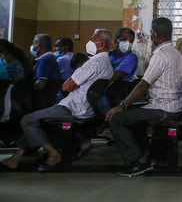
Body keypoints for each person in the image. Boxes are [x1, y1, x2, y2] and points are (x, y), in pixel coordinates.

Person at [0, 29, 114, 169]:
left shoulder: (93, 62)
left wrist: (72, 85)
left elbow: (66, 86)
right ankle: (15, 158)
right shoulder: (107, 62)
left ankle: (53, 154)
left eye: (92, 38)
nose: (89, 41)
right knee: (38, 121)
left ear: (101, 43)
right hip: (86, 107)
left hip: (73, 108)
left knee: (27, 120)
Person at [106, 18, 182, 177]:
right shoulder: (177, 53)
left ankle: (136, 162)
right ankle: (144, 156)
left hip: (164, 109)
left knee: (116, 119)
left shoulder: (160, 55)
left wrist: (122, 105)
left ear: (154, 35)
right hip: (176, 105)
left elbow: (143, 85)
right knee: (133, 115)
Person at [30, 34, 61, 110]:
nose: (32, 46)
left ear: (39, 46)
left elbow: (40, 85)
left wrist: (27, 95)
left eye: (33, 43)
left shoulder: (45, 60)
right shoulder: (50, 58)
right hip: (47, 101)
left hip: (41, 103)